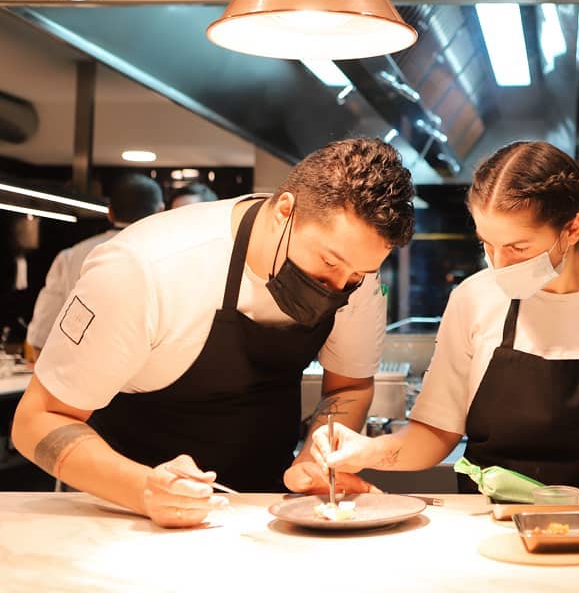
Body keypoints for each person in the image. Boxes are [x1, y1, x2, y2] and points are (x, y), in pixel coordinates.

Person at [12, 139, 414, 527]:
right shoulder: (144, 267)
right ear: (285, 211)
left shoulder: (357, 278)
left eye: (356, 276)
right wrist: (144, 490)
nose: (339, 287)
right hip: (121, 510)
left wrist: (315, 459)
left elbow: (349, 388)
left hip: (262, 508)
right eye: (328, 262)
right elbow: (36, 421)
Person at [310, 141, 579, 508]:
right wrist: (368, 451)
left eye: (518, 248)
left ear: (572, 229)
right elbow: (436, 432)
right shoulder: (472, 299)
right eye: (487, 244)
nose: (499, 264)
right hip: (487, 521)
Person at [25, 174, 165, 360]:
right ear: (160, 211)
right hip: (155, 372)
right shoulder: (170, 257)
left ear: (110, 212)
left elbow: (40, 335)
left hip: (83, 371)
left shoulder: (71, 257)